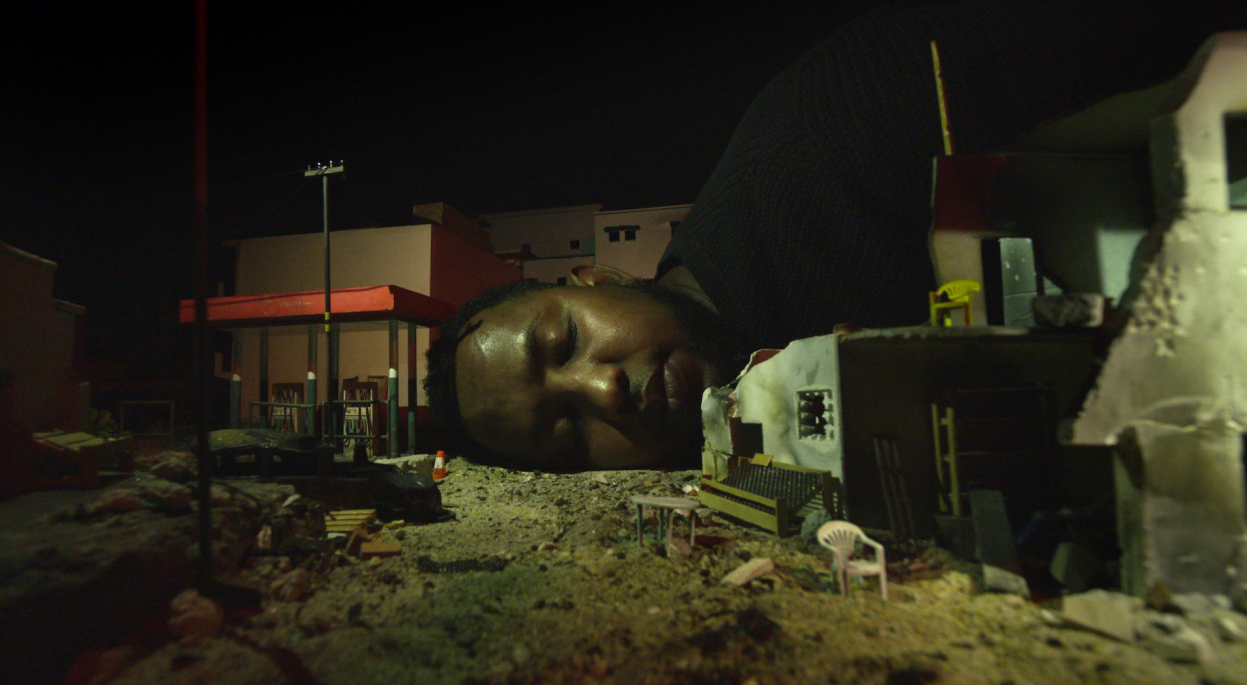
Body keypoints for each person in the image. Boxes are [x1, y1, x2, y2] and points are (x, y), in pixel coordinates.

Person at [426, 0, 1244, 470]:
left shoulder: (831, 134)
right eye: (567, 434)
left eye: (565, 341)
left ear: (596, 279)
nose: (605, 392)